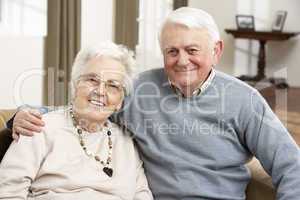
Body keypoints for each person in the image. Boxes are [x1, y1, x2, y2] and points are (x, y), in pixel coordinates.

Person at [5, 7, 300, 200]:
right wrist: (21, 115)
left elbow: (291, 167)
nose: (182, 60)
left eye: (192, 49)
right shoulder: (140, 89)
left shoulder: (244, 100)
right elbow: (89, 105)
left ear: (217, 50)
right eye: (172, 51)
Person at [0, 42, 153, 200]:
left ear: (120, 101)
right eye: (92, 80)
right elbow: (8, 193)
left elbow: (142, 194)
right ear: (75, 85)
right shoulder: (37, 127)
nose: (100, 91)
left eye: (112, 86)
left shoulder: (126, 141)